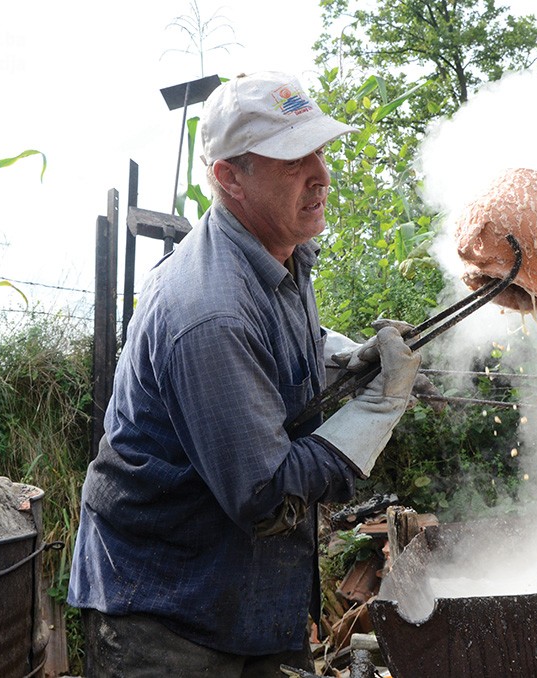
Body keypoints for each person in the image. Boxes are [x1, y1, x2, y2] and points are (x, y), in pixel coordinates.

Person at [67, 71, 422, 677]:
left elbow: (282, 343)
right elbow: (266, 495)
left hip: (247, 602)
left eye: (319, 149)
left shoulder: (282, 253)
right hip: (166, 617)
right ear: (229, 176)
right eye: (291, 158)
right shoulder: (207, 311)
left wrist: (344, 357)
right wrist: (375, 410)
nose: (321, 173)